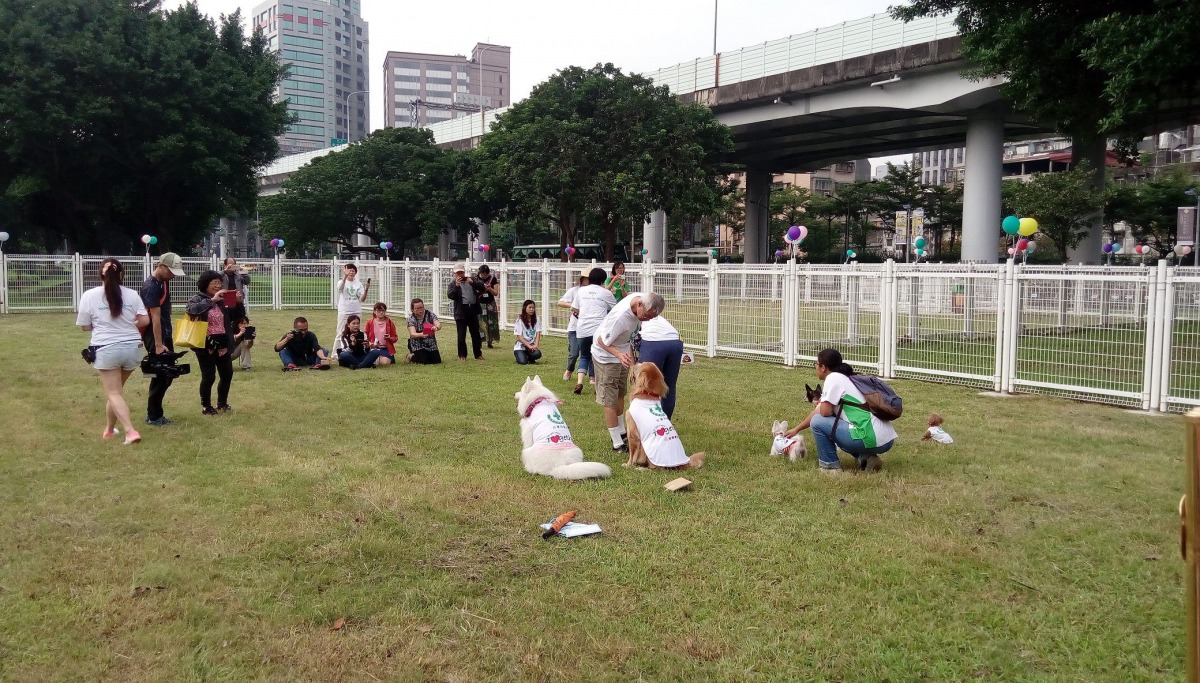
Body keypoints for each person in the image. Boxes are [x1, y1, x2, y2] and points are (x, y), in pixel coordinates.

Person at [785, 348, 897, 473]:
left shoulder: (833, 378)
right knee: (841, 426)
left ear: (823, 367)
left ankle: (830, 467)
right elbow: (821, 410)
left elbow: (823, 413)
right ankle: (867, 459)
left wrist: (822, 404)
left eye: (816, 364)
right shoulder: (847, 378)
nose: (815, 367)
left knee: (818, 422)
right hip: (887, 439)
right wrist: (796, 429)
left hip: (869, 437)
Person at [77, 258, 149, 445]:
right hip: (133, 348)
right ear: (122, 274)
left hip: (106, 348)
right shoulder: (132, 294)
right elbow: (144, 320)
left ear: (101, 273)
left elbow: (85, 326)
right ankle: (109, 430)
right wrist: (129, 323)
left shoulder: (89, 295)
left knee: (114, 393)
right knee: (115, 392)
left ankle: (130, 431)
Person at [591, 291, 666, 452]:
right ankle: (617, 442)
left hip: (622, 354)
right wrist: (618, 354)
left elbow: (628, 340)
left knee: (620, 393)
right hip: (606, 357)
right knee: (609, 398)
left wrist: (632, 364)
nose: (646, 319)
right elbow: (601, 340)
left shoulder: (641, 300)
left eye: (651, 317)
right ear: (639, 305)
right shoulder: (620, 319)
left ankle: (622, 431)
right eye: (646, 316)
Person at [140, 252, 187, 426]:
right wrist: (159, 345)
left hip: (164, 333)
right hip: (155, 335)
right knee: (161, 373)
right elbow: (155, 318)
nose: (173, 275)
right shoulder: (151, 286)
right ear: (160, 266)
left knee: (166, 374)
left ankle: (154, 413)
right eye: (171, 271)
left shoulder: (163, 282)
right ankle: (154, 416)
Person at [185, 270, 237, 414]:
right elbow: (191, 311)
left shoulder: (223, 298)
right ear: (205, 284)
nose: (218, 285)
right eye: (214, 282)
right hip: (205, 343)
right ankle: (206, 406)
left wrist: (238, 303)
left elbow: (235, 316)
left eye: (219, 282)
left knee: (227, 374)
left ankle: (222, 403)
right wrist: (212, 300)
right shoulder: (197, 298)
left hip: (222, 342)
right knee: (209, 376)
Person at [571, 267, 615, 395]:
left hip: (583, 329)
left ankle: (579, 382)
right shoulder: (606, 293)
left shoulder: (581, 291)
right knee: (598, 358)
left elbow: (574, 308)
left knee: (584, 356)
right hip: (599, 330)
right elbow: (616, 308)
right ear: (602, 280)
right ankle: (597, 385)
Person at [636, 315, 684, 419]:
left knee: (646, 385)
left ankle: (648, 421)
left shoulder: (633, 315)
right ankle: (665, 422)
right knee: (669, 385)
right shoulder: (656, 316)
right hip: (675, 341)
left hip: (653, 341)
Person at [447, 262, 485, 360]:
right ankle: (462, 355)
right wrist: (456, 285)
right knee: (461, 335)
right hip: (461, 311)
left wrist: (473, 282)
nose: (460, 275)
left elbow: (482, 286)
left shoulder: (471, 279)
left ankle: (478, 354)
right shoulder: (452, 283)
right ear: (454, 274)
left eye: (461, 273)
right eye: (457, 273)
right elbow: (450, 295)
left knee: (475, 334)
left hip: (472, 309)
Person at [557, 268, 589, 381]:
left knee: (588, 353)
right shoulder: (574, 291)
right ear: (582, 279)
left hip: (588, 327)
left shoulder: (595, 292)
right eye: (587, 279)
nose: (589, 281)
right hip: (575, 327)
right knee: (574, 353)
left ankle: (591, 376)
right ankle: (569, 369)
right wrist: (573, 306)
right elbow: (560, 302)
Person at [334, 263, 370, 352]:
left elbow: (362, 299)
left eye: (353, 271)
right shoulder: (341, 282)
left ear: (355, 273)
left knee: (357, 332)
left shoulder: (358, 284)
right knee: (340, 332)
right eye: (349, 270)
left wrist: (366, 290)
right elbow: (340, 288)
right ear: (345, 271)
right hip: (344, 311)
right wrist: (344, 277)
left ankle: (357, 349)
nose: (351, 272)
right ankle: (336, 352)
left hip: (356, 311)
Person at [406, 298, 443, 364]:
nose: (420, 310)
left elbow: (438, 324)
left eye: (421, 307)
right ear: (412, 310)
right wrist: (421, 335)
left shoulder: (430, 314)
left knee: (437, 361)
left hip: (431, 343)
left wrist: (436, 327)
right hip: (417, 344)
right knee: (423, 361)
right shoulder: (411, 318)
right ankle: (410, 356)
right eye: (417, 308)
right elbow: (412, 334)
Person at [475, 264, 500, 349]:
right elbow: (475, 292)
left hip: (490, 303)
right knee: (481, 323)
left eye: (486, 274)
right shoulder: (476, 279)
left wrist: (489, 289)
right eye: (482, 274)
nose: (484, 276)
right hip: (480, 303)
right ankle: (480, 341)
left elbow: (496, 293)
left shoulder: (493, 279)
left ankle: (490, 341)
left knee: (492, 322)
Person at [513, 299, 543, 365]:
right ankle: (520, 356)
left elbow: (538, 332)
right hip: (521, 346)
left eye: (533, 308)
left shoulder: (536, 319)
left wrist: (536, 345)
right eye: (529, 307)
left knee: (538, 354)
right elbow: (519, 337)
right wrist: (529, 346)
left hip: (531, 345)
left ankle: (529, 357)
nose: (531, 309)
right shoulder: (519, 320)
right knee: (523, 362)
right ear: (525, 308)